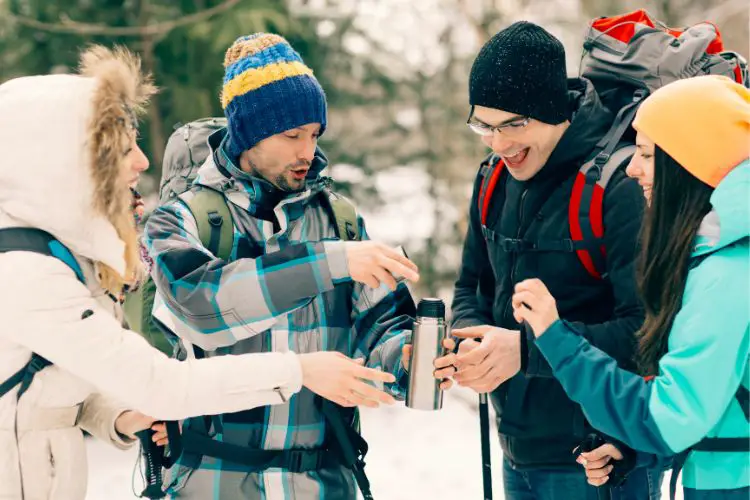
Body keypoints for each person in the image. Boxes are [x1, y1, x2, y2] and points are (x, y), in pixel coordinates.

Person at [0, 45, 397, 500]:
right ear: (60, 163)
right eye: (122, 149)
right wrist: (300, 370)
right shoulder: (25, 276)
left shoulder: (61, 262)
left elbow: (52, 387)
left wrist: (119, 416)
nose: (142, 162)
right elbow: (163, 380)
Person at [143, 33, 448, 499]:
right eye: (291, 136)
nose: (307, 150)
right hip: (215, 482)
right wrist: (330, 263)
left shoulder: (340, 220)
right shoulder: (179, 218)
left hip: (324, 482)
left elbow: (381, 326)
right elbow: (201, 308)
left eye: (314, 134)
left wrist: (405, 356)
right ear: (248, 132)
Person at [447, 21, 662, 499]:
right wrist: (469, 341)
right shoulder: (492, 180)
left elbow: (647, 331)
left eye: (514, 125)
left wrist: (524, 351)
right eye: (485, 125)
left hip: (601, 458)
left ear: (553, 111)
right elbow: (471, 286)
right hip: (516, 449)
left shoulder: (620, 186)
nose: (499, 144)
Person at [513, 75, 750, 499]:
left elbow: (669, 419)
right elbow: (722, 406)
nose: (633, 168)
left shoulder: (728, 277)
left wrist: (557, 337)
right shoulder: (723, 257)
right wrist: (632, 448)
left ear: (689, 163)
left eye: (645, 154)